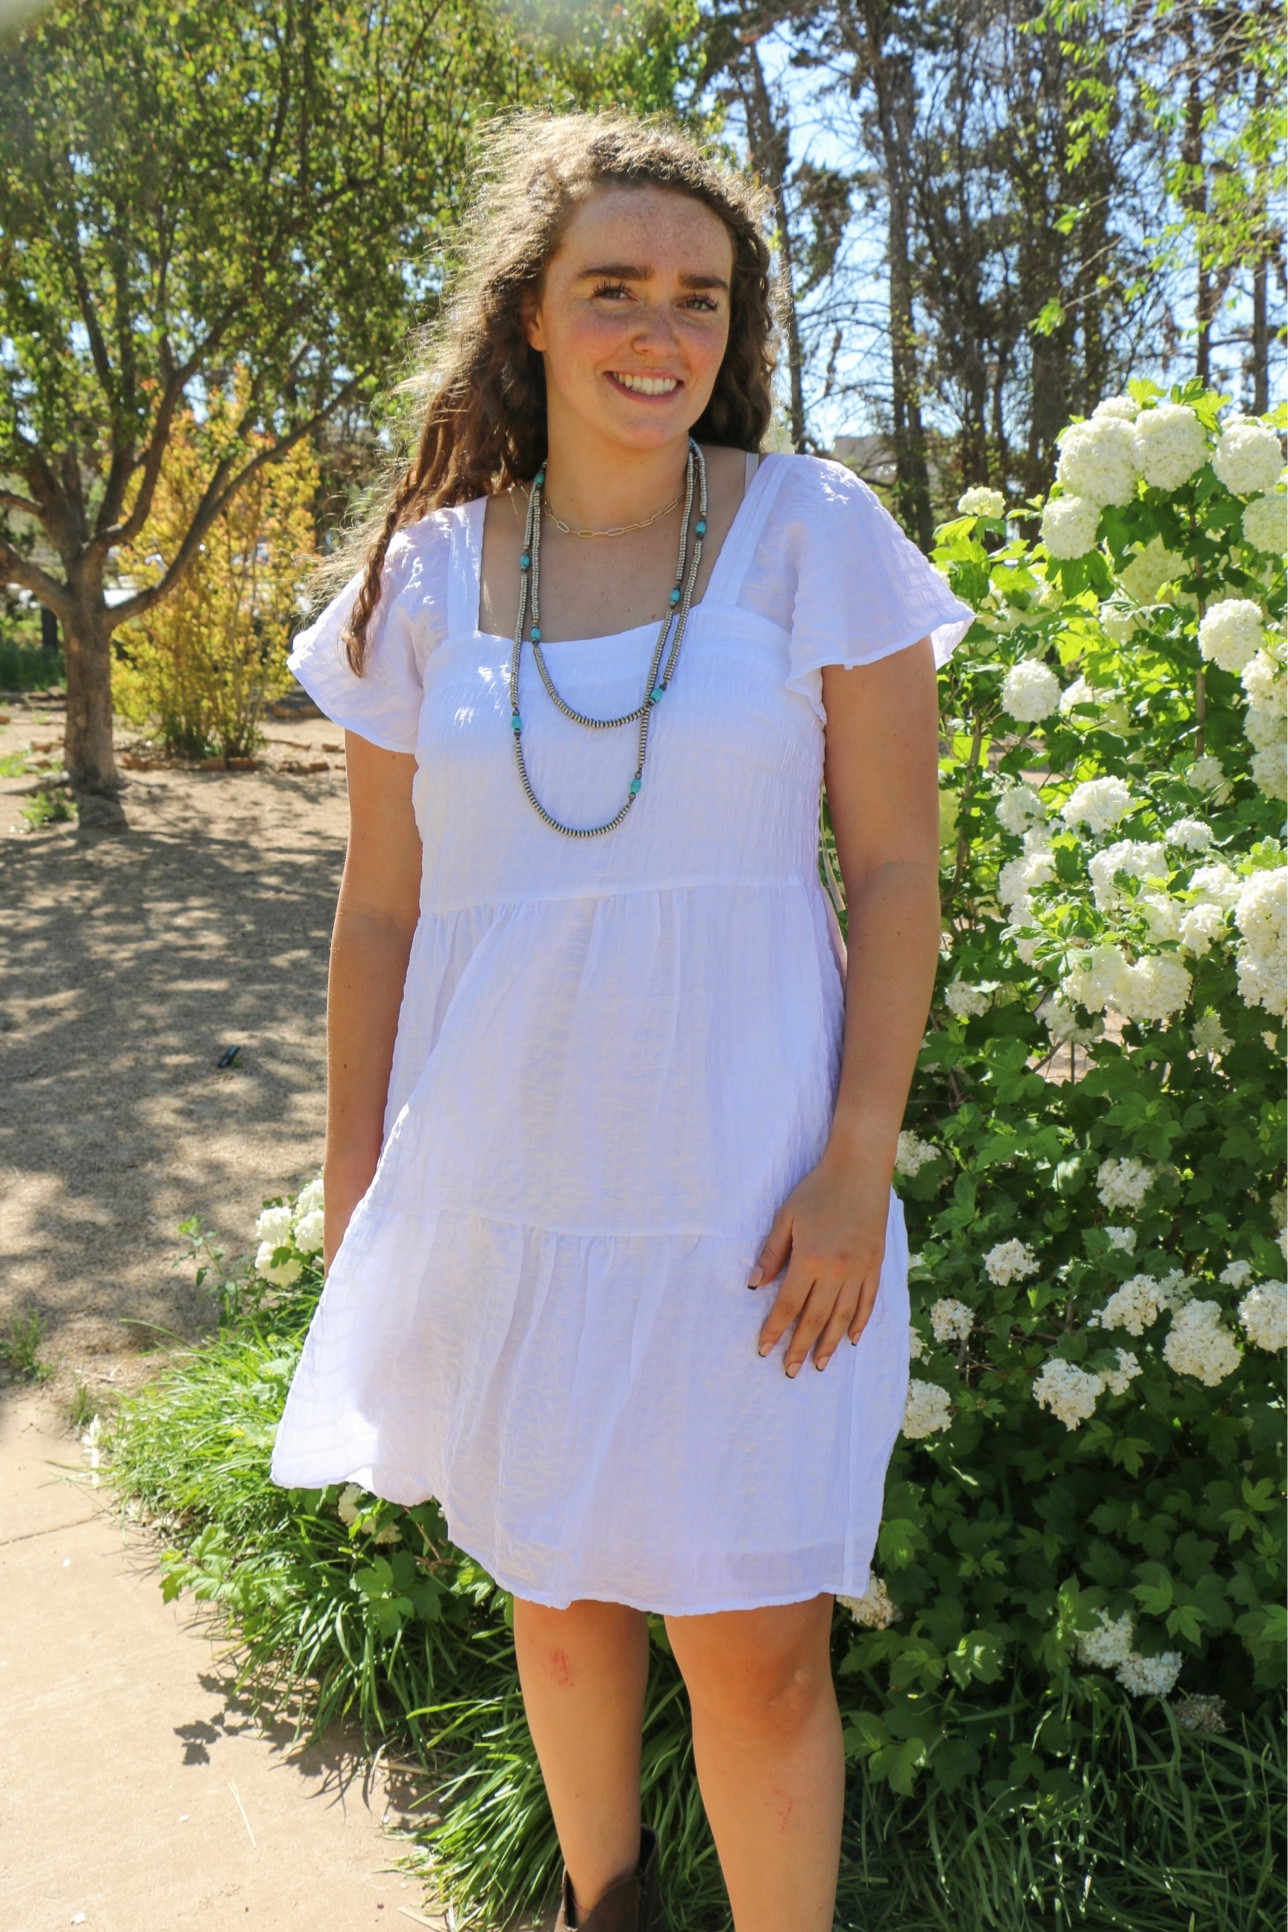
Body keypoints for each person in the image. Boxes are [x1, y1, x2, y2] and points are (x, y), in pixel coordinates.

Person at [269, 109, 972, 1932]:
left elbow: (898, 871)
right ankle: (605, 1911)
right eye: (615, 289)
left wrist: (857, 1158)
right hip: (504, 1186)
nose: (662, 333)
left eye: (701, 297)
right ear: (531, 314)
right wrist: (358, 1187)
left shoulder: (814, 532)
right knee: (560, 1602)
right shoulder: (424, 578)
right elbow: (382, 909)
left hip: (754, 1204)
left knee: (759, 1651)